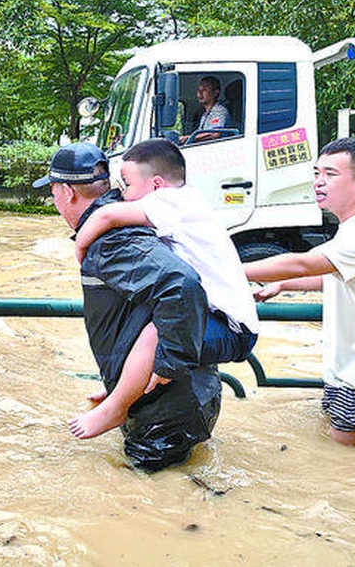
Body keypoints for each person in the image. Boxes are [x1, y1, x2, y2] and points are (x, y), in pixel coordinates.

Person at [33, 142, 221, 471]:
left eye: (52, 192)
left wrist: (168, 366)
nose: (55, 201)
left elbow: (182, 285)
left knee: (155, 509)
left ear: (66, 192)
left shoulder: (112, 239)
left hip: (166, 410)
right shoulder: (118, 224)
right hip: (175, 399)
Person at [69, 138, 258, 439]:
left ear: (156, 184)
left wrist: (81, 248)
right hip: (217, 318)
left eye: (128, 185)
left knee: (157, 331)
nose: (125, 194)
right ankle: (123, 390)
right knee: (148, 320)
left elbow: (106, 215)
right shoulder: (188, 202)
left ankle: (117, 406)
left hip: (231, 330)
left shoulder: (172, 201)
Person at [244, 137, 355, 449]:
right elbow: (330, 275)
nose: (319, 182)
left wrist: (228, 271)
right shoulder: (354, 226)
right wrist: (282, 284)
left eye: (331, 174)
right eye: (317, 173)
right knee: (337, 458)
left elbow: (303, 263)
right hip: (346, 369)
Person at [186, 76, 232, 143]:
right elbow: (200, 134)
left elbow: (215, 134)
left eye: (204, 90)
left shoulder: (219, 111)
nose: (199, 94)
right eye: (199, 90)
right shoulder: (205, 114)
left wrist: (188, 138)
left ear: (215, 93)